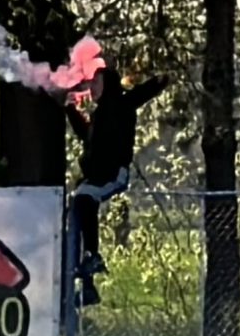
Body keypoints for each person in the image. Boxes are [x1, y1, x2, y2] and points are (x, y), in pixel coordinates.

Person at [68, 64, 170, 301]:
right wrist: (70, 109)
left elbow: (141, 94)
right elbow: (86, 136)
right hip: (95, 177)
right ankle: (87, 283)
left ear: (108, 85)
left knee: (83, 200)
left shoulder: (120, 105)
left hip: (112, 174)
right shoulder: (98, 115)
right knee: (78, 208)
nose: (91, 87)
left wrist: (162, 79)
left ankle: (93, 256)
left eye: (96, 82)